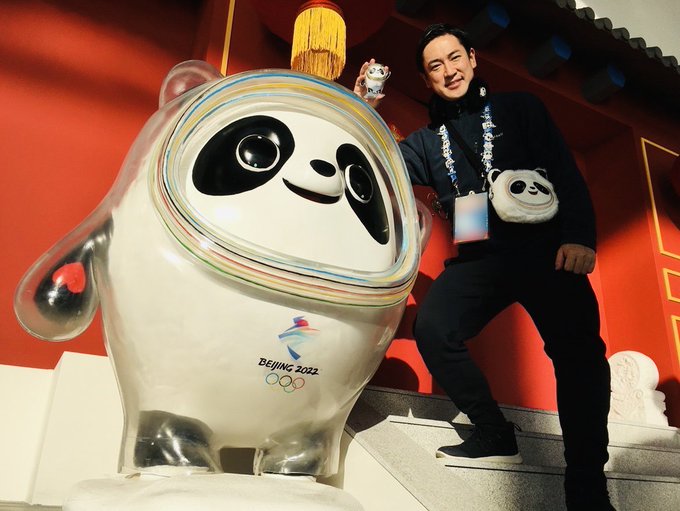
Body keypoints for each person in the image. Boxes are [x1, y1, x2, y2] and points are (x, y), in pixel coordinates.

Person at [354, 23, 615, 510]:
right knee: (434, 328)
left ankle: (586, 483)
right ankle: (493, 430)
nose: (449, 71)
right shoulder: (426, 142)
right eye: (435, 66)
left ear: (472, 58)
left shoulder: (520, 108)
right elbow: (377, 161)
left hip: (545, 247)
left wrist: (580, 236)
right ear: (427, 79)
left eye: (455, 58)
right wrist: (366, 104)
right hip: (479, 257)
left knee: (579, 355)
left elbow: (563, 169)